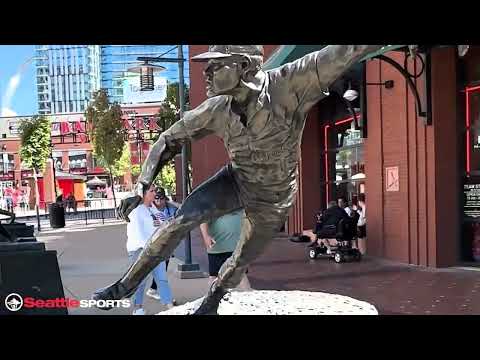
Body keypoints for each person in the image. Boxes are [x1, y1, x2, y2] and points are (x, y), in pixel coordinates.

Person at [94, 44, 389, 315]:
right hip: (235, 180)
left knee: (239, 260)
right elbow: (168, 140)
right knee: (178, 222)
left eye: (216, 66)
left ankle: (213, 299)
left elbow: (347, 49)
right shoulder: (216, 108)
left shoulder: (292, 82)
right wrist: (141, 186)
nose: (206, 72)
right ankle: (124, 286)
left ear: (244, 67)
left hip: (273, 197)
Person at [126, 184, 175, 315]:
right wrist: (148, 248)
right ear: (144, 194)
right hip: (140, 250)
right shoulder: (136, 211)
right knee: (140, 280)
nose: (155, 193)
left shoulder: (153, 209)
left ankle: (169, 304)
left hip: (155, 250)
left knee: (161, 277)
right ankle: (137, 308)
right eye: (151, 191)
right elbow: (137, 233)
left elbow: (162, 226)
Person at [200, 210, 251, 290]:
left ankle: (249, 297)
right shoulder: (211, 200)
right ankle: (211, 300)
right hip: (218, 247)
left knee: (241, 274)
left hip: (237, 246)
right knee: (215, 276)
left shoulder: (239, 199)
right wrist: (206, 236)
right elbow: (203, 220)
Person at [146, 187, 178, 301]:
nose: (159, 201)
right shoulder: (149, 210)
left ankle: (153, 289)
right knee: (160, 269)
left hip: (167, 242)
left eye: (161, 198)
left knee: (162, 268)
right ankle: (166, 298)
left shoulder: (171, 209)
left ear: (165, 198)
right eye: (156, 198)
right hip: (155, 243)